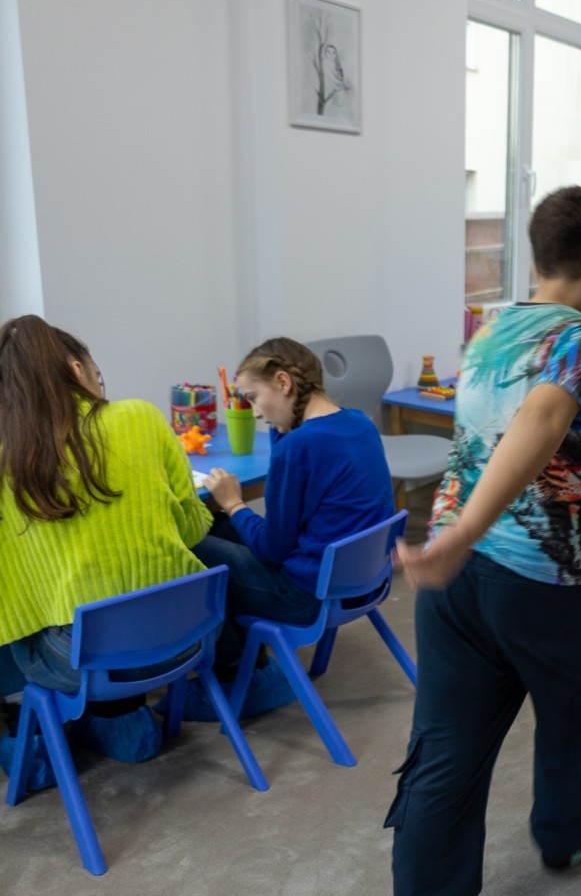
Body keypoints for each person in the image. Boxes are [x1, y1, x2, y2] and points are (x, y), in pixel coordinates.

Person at [385, 186, 581, 894]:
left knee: (445, 750)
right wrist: (470, 531)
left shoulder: (492, 330)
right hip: (537, 582)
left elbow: (545, 450)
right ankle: (569, 837)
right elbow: (540, 422)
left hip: (453, 584)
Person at [0, 315, 212, 773]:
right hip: (186, 636)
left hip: (86, 661)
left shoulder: (9, 460)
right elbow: (194, 529)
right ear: (77, 370)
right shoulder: (141, 416)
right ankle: (120, 723)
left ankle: (28, 740)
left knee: (21, 632)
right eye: (98, 375)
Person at [182, 337, 396, 718]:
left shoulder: (298, 448)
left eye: (253, 398)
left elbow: (272, 550)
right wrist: (283, 425)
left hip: (305, 596)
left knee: (193, 543)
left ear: (283, 382)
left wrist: (233, 502)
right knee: (222, 528)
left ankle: (232, 678)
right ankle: (246, 664)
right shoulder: (360, 423)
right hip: (363, 580)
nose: (255, 412)